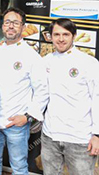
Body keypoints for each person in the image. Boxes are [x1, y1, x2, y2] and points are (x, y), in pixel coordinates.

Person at [0, 7, 48, 175]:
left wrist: (27, 117)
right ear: (2, 26)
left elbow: (42, 90)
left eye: (15, 22)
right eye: (7, 22)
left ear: (23, 26)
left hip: (17, 123)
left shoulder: (31, 56)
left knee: (19, 167)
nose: (11, 26)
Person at [41, 18, 99, 174]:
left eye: (66, 34)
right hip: (50, 136)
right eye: (56, 34)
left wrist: (97, 134)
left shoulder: (89, 63)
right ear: (50, 37)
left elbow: (97, 98)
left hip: (80, 139)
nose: (61, 39)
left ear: (74, 36)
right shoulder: (45, 61)